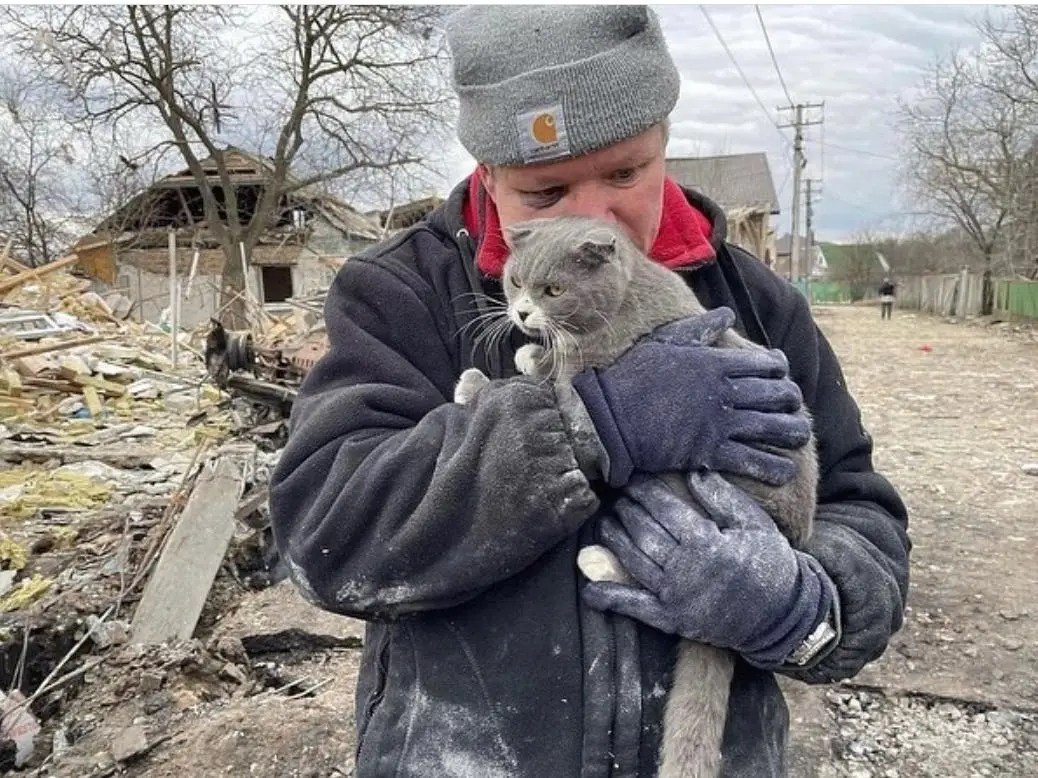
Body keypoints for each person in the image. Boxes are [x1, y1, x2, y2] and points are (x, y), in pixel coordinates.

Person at [269, 6, 910, 777]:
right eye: (545, 191)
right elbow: (324, 537)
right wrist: (583, 424)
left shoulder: (757, 301)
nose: (591, 217)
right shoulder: (400, 294)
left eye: (624, 173)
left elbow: (859, 511)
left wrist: (799, 605)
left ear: (663, 142)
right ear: (491, 176)